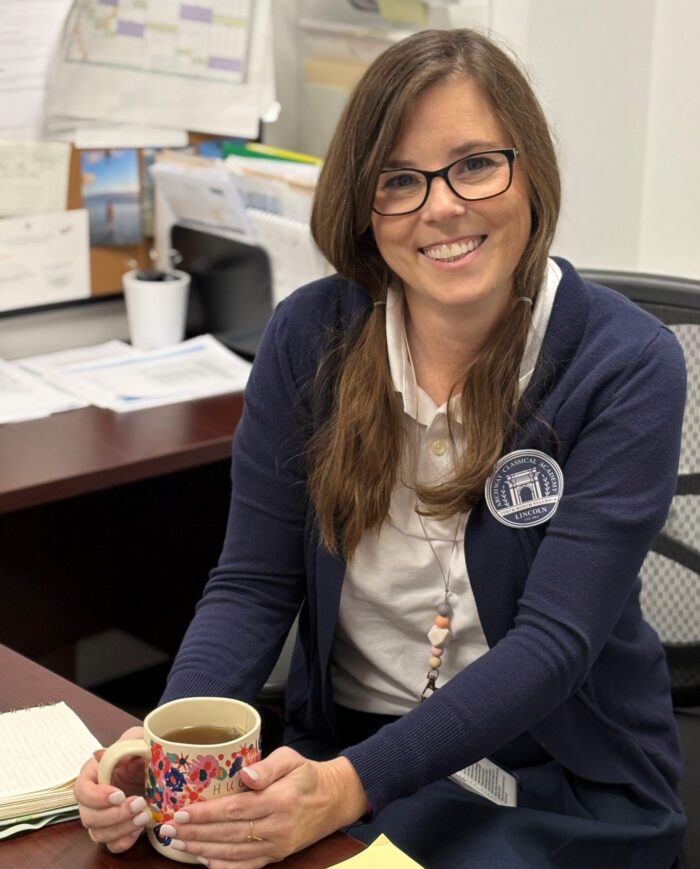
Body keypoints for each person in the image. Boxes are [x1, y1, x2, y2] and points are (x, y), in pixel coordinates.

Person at [74, 28, 688, 868]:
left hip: (560, 784)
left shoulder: (625, 366)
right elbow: (254, 584)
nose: (441, 206)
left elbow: (553, 645)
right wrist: (170, 756)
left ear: (531, 170)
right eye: (399, 180)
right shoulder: (311, 336)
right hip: (341, 763)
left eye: (475, 163)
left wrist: (348, 784)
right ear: (364, 206)